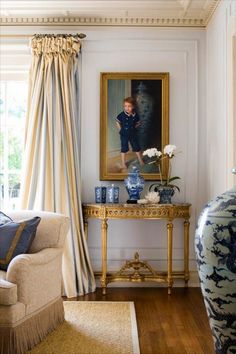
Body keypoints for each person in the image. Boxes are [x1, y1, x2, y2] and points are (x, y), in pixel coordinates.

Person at [116, 97, 144, 169]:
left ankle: (140, 160)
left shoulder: (135, 115)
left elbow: (138, 122)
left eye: (129, 106)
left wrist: (135, 127)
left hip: (133, 133)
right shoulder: (122, 115)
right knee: (124, 147)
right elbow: (117, 121)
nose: (127, 108)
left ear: (133, 106)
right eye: (125, 106)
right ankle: (123, 163)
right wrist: (120, 130)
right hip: (124, 134)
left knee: (136, 147)